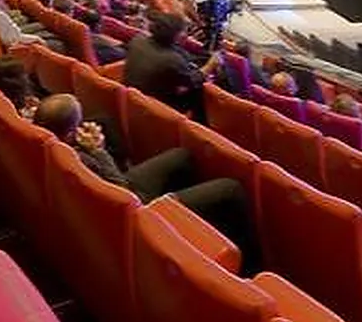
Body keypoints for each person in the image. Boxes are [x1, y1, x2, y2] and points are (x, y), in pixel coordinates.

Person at [33, 93, 257, 271]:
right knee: (231, 189)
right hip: (136, 208)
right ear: (71, 133)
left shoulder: (48, 146)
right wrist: (99, 150)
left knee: (182, 156)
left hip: (115, 192)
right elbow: (122, 194)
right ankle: (250, 263)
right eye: (79, 123)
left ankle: (191, 234)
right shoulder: (78, 159)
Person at [123, 12, 213, 116]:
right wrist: (211, 65)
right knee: (199, 89)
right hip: (155, 106)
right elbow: (192, 80)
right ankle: (199, 125)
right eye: (184, 31)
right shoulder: (172, 60)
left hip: (133, 96)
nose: (186, 34)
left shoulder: (138, 40)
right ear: (176, 35)